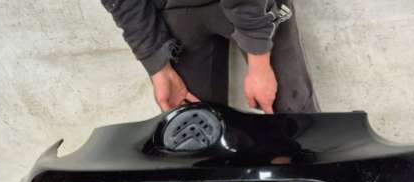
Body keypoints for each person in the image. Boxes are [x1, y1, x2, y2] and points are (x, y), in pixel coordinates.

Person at [101, 0, 318, 114]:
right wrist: (158, 65)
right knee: (193, 121)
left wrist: (259, 60)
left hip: (256, 4)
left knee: (293, 112)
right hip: (173, 9)